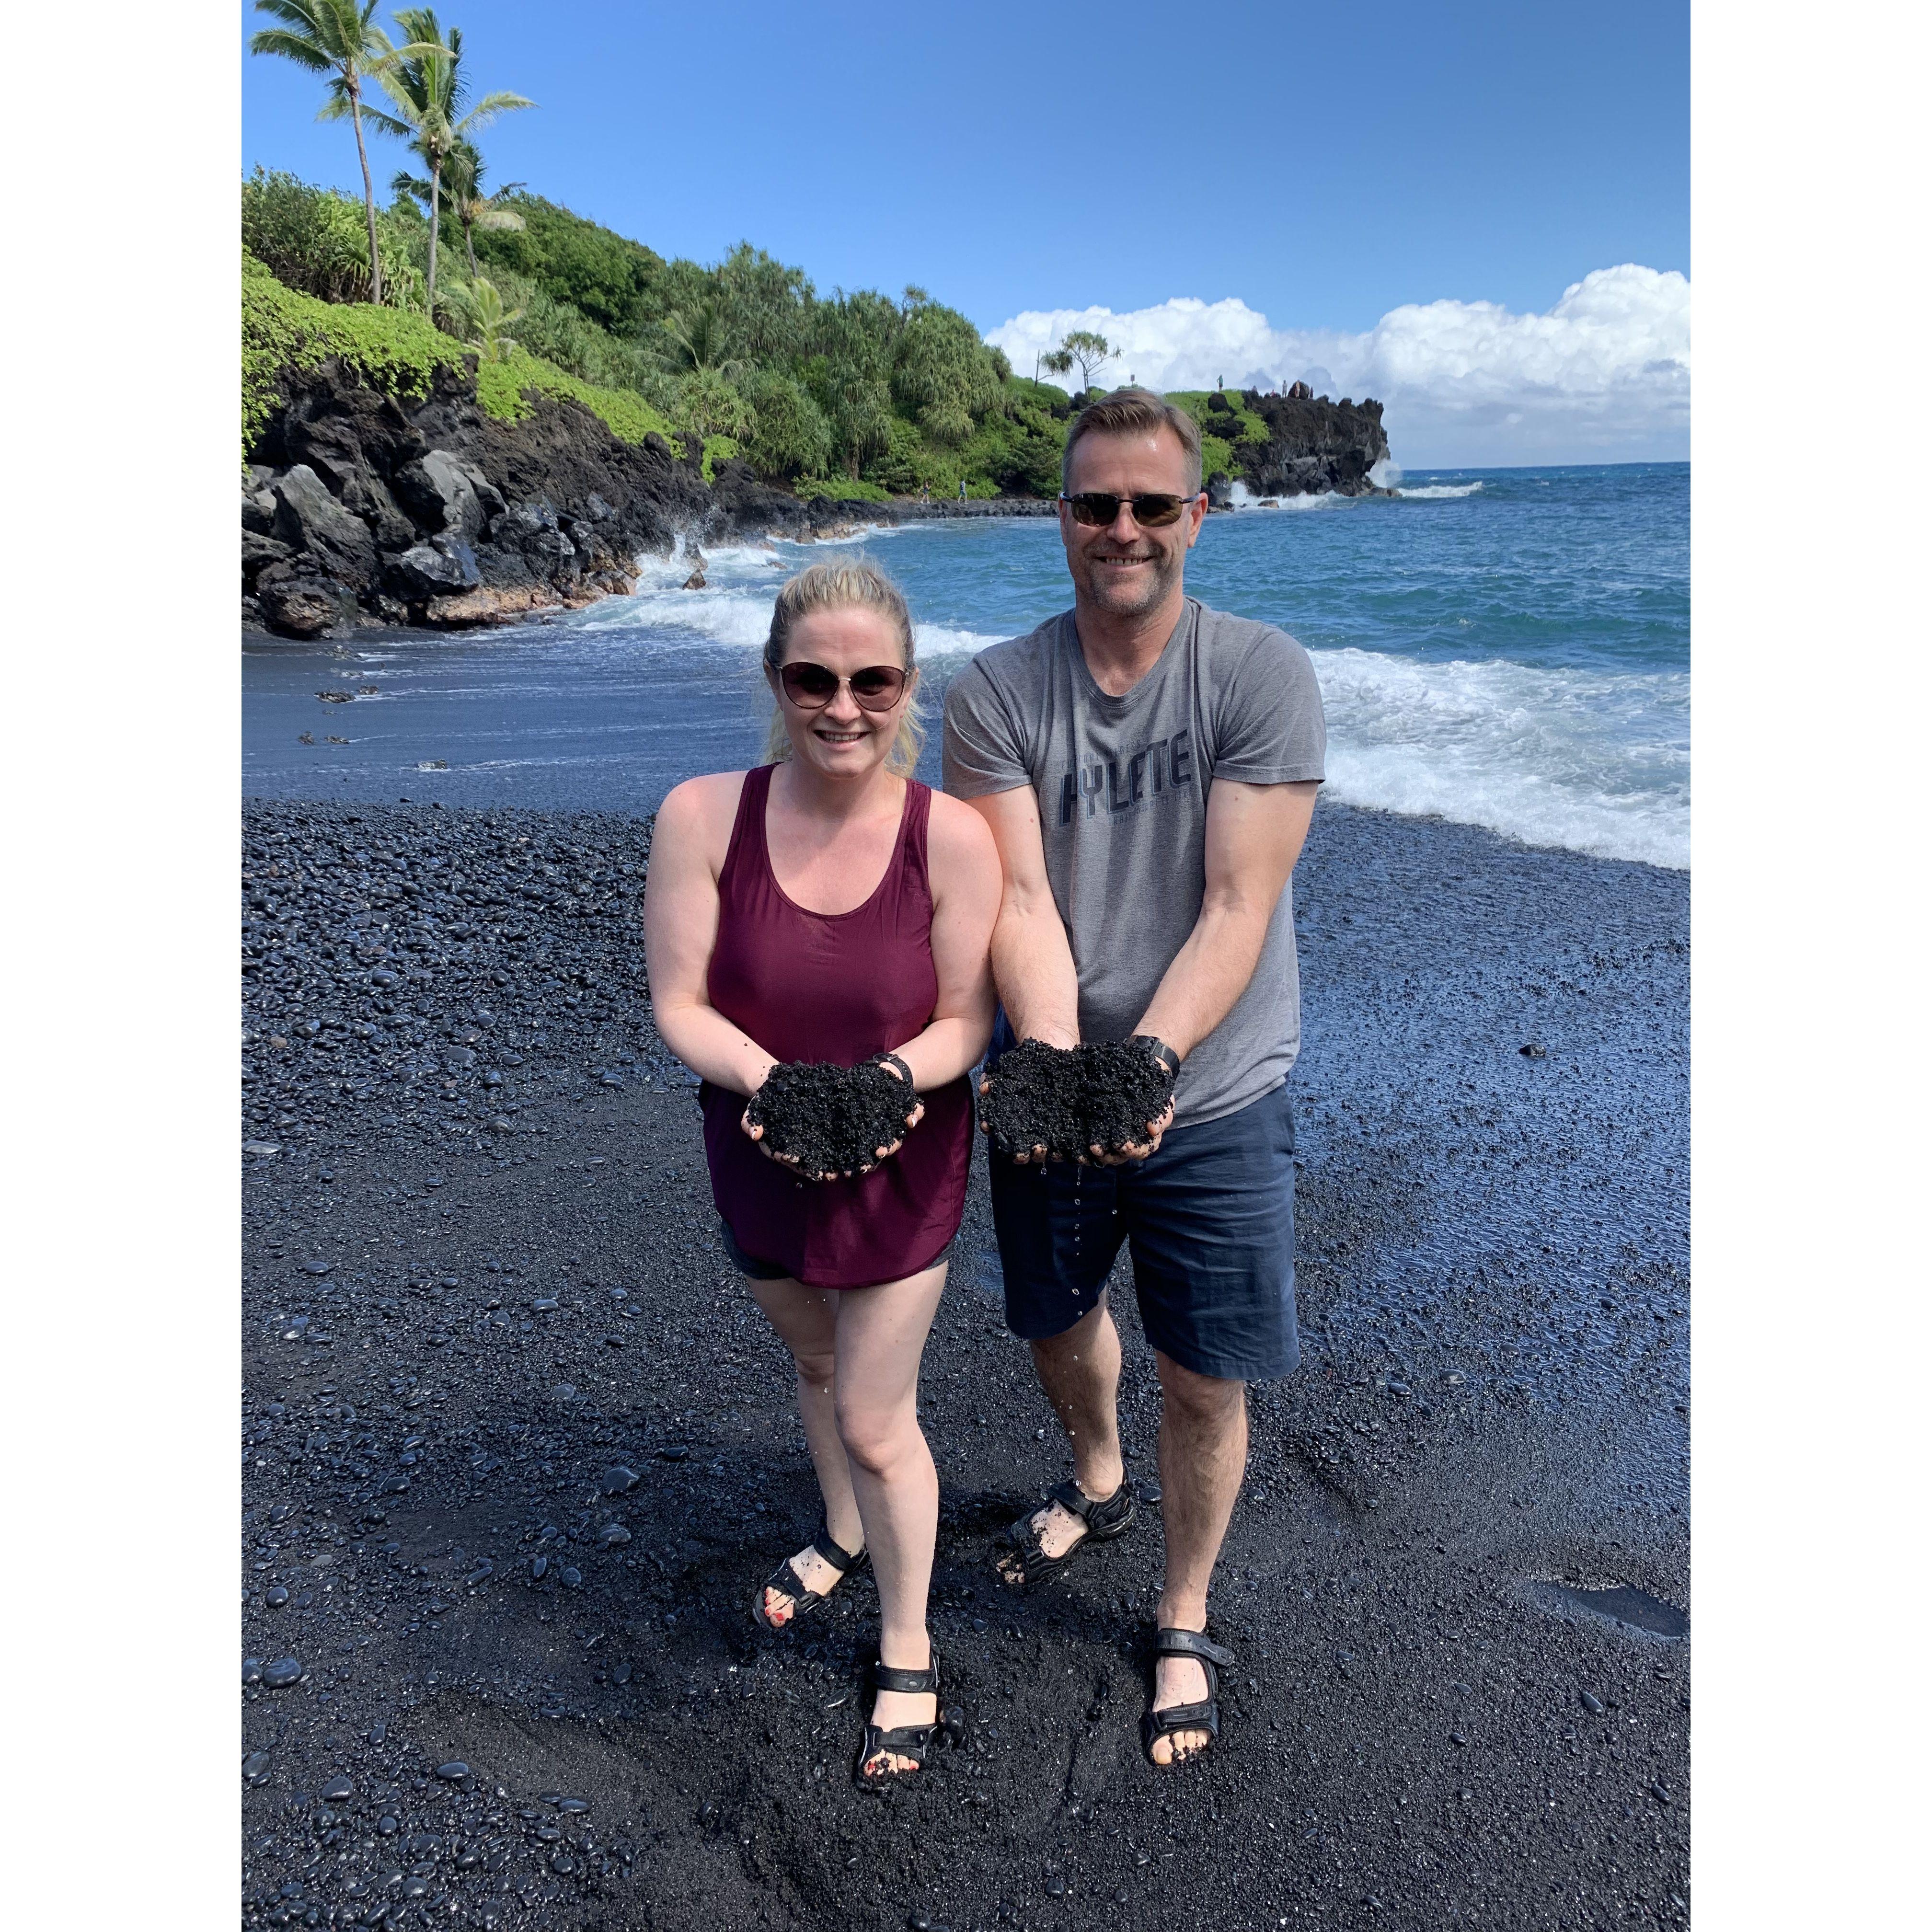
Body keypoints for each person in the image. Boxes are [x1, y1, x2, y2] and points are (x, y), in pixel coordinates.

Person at [942, 388, 1326, 1769]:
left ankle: (1181, 1607)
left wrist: (1151, 1064)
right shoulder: (995, 692)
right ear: (1061, 520)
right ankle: (1100, 1473)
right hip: (1049, 1060)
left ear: (1195, 520)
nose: (1124, 529)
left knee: (1207, 1376)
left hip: (1215, 1085)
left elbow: (1237, 902)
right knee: (1053, 1321)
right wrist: (1058, 1068)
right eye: (1096, 504)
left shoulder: (1260, 675)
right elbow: (1019, 900)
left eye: (1152, 506)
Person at [643, 559, 1000, 1785]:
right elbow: (678, 1003)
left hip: (903, 1159)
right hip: (757, 1145)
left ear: (911, 687)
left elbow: (966, 1023)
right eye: (814, 679)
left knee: (873, 1413)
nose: (844, 706)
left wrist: (881, 1085)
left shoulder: (950, 836)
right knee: (809, 1359)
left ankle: (908, 1641)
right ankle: (844, 1531)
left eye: (874, 681)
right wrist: (776, 1085)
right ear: (775, 681)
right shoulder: (700, 816)